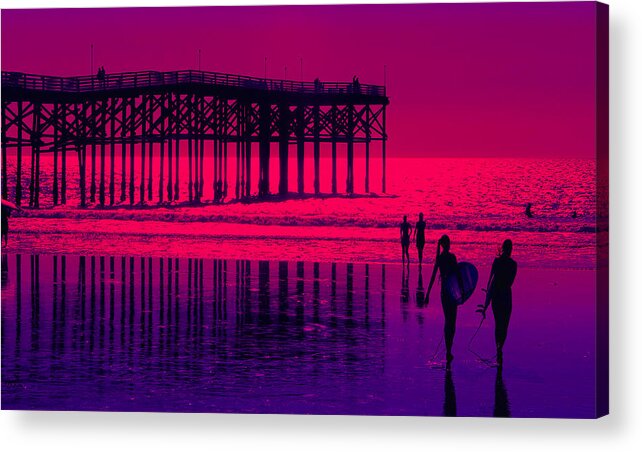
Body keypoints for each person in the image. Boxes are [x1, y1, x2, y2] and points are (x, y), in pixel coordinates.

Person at [477, 239, 518, 366]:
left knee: (498, 324)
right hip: (505, 295)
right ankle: (500, 348)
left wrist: (486, 303)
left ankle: (498, 348)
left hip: (497, 295)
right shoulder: (513, 264)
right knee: (504, 325)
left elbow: (491, 282)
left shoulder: (498, 262)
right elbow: (509, 282)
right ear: (509, 249)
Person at [427, 234, 461, 368]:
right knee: (452, 322)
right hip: (452, 293)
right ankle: (449, 350)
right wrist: (463, 292)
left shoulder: (440, 258)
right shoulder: (452, 257)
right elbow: (458, 275)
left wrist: (428, 294)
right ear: (447, 244)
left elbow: (433, 275)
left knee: (448, 321)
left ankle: (448, 350)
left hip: (444, 293)